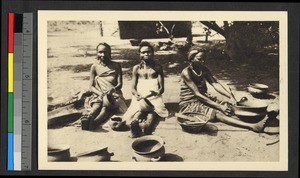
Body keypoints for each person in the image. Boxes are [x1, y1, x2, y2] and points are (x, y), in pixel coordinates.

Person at [179, 49, 268, 133]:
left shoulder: (203, 69)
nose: (203, 61)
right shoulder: (186, 72)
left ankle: (258, 116)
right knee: (217, 113)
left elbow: (215, 84)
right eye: (200, 59)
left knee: (229, 107)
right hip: (190, 103)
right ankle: (252, 126)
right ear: (191, 59)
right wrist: (219, 107)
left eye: (204, 59)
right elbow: (197, 94)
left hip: (204, 98)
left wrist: (230, 96)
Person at [123, 41, 169, 137]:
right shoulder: (136, 68)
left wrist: (156, 93)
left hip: (154, 98)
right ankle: (134, 127)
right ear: (139, 54)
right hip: (140, 98)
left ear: (153, 53)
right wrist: (136, 95)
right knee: (138, 112)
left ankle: (146, 128)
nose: (146, 54)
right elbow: (133, 88)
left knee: (152, 113)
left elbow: (161, 89)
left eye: (148, 52)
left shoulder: (157, 67)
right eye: (143, 52)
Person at [81, 43, 127, 130]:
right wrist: (100, 94)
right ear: (97, 53)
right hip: (99, 94)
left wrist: (112, 91)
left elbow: (120, 84)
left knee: (106, 108)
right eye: (100, 52)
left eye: (105, 52)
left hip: (113, 95)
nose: (103, 55)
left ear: (110, 53)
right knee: (96, 106)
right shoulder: (94, 67)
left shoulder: (116, 65)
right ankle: (88, 119)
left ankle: (94, 123)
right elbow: (91, 87)